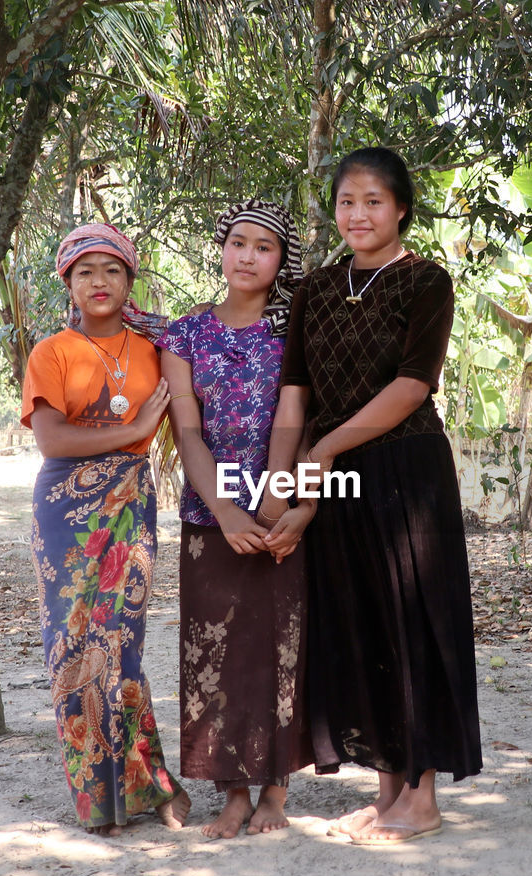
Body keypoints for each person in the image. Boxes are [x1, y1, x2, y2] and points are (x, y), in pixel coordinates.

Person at [259, 147, 482, 845]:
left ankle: (421, 801)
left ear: (402, 208)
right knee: (361, 630)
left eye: (374, 202)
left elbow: (413, 386)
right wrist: (288, 476)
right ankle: (388, 794)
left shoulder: (425, 283)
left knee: (411, 625)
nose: (359, 214)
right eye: (347, 202)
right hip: (336, 484)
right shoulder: (315, 291)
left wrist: (324, 451)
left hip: (404, 473)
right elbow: (295, 392)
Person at [22, 223, 189, 837]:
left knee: (121, 643)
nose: (100, 282)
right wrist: (134, 428)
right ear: (68, 280)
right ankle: (98, 800)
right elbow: (52, 438)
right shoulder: (52, 351)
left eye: (112, 270)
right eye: (86, 271)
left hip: (130, 501)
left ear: (129, 280)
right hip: (64, 508)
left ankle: (147, 787)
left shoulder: (154, 349)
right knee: (72, 644)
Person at [159, 200, 315, 839]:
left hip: (282, 514)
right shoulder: (185, 333)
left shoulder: (296, 333)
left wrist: (289, 501)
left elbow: (303, 420)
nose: (248, 256)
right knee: (215, 652)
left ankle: (276, 792)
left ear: (282, 262)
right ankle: (233, 791)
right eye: (238, 243)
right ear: (221, 249)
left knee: (280, 647)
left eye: (265, 247)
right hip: (209, 516)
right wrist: (223, 511)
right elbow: (187, 433)